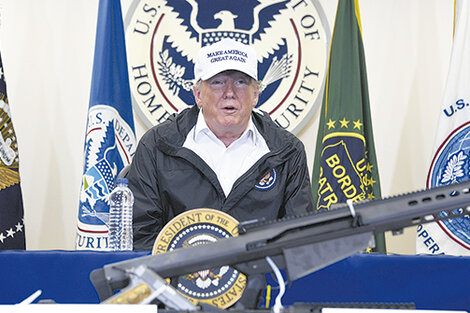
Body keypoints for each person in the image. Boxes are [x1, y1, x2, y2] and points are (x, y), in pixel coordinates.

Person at [128, 38, 314, 251]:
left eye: (241, 82)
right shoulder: (157, 145)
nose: (229, 92)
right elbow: (140, 237)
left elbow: (300, 240)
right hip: (176, 279)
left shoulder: (287, 151)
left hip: (262, 279)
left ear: (256, 95)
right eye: (217, 82)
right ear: (198, 94)